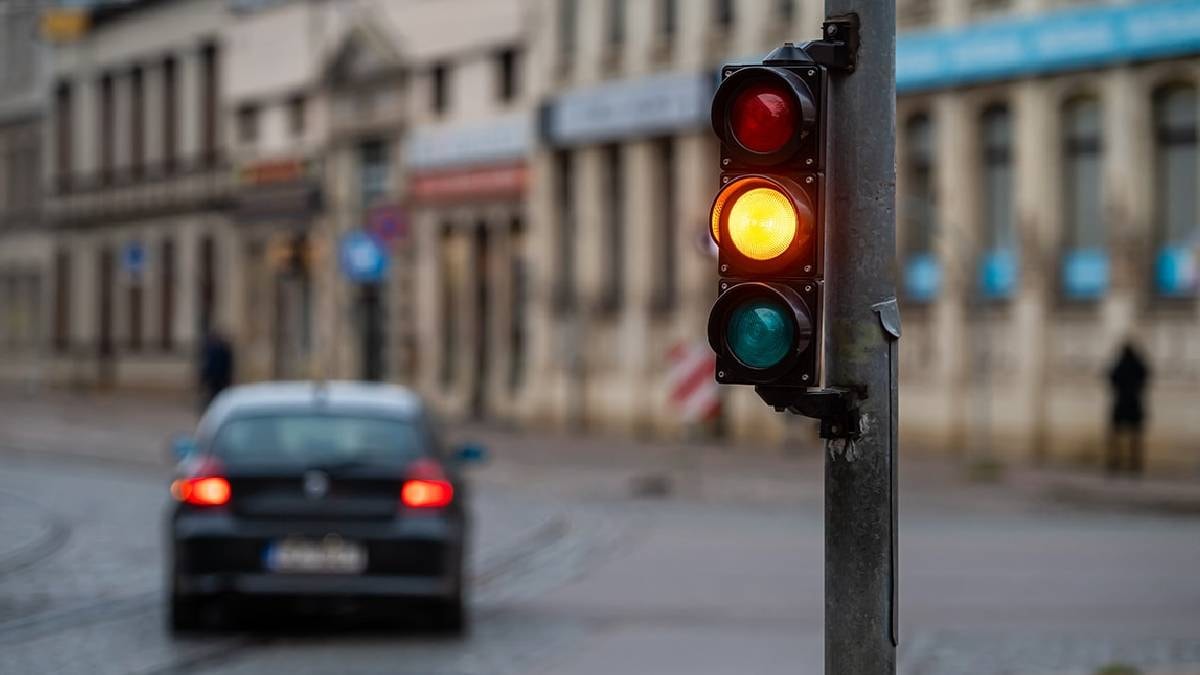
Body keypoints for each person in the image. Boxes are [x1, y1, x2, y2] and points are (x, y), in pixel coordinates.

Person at [1106, 339, 1151, 476]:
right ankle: (1133, 463)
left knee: (1119, 436)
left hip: (1122, 403)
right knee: (1134, 437)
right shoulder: (1137, 365)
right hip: (1133, 403)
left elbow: (1111, 377)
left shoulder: (1120, 365)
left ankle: (1116, 462)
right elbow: (1145, 376)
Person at [198, 327, 234, 411]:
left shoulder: (217, 349)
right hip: (217, 379)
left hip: (218, 379)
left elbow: (210, 365)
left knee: (215, 396)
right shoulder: (218, 349)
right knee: (215, 396)